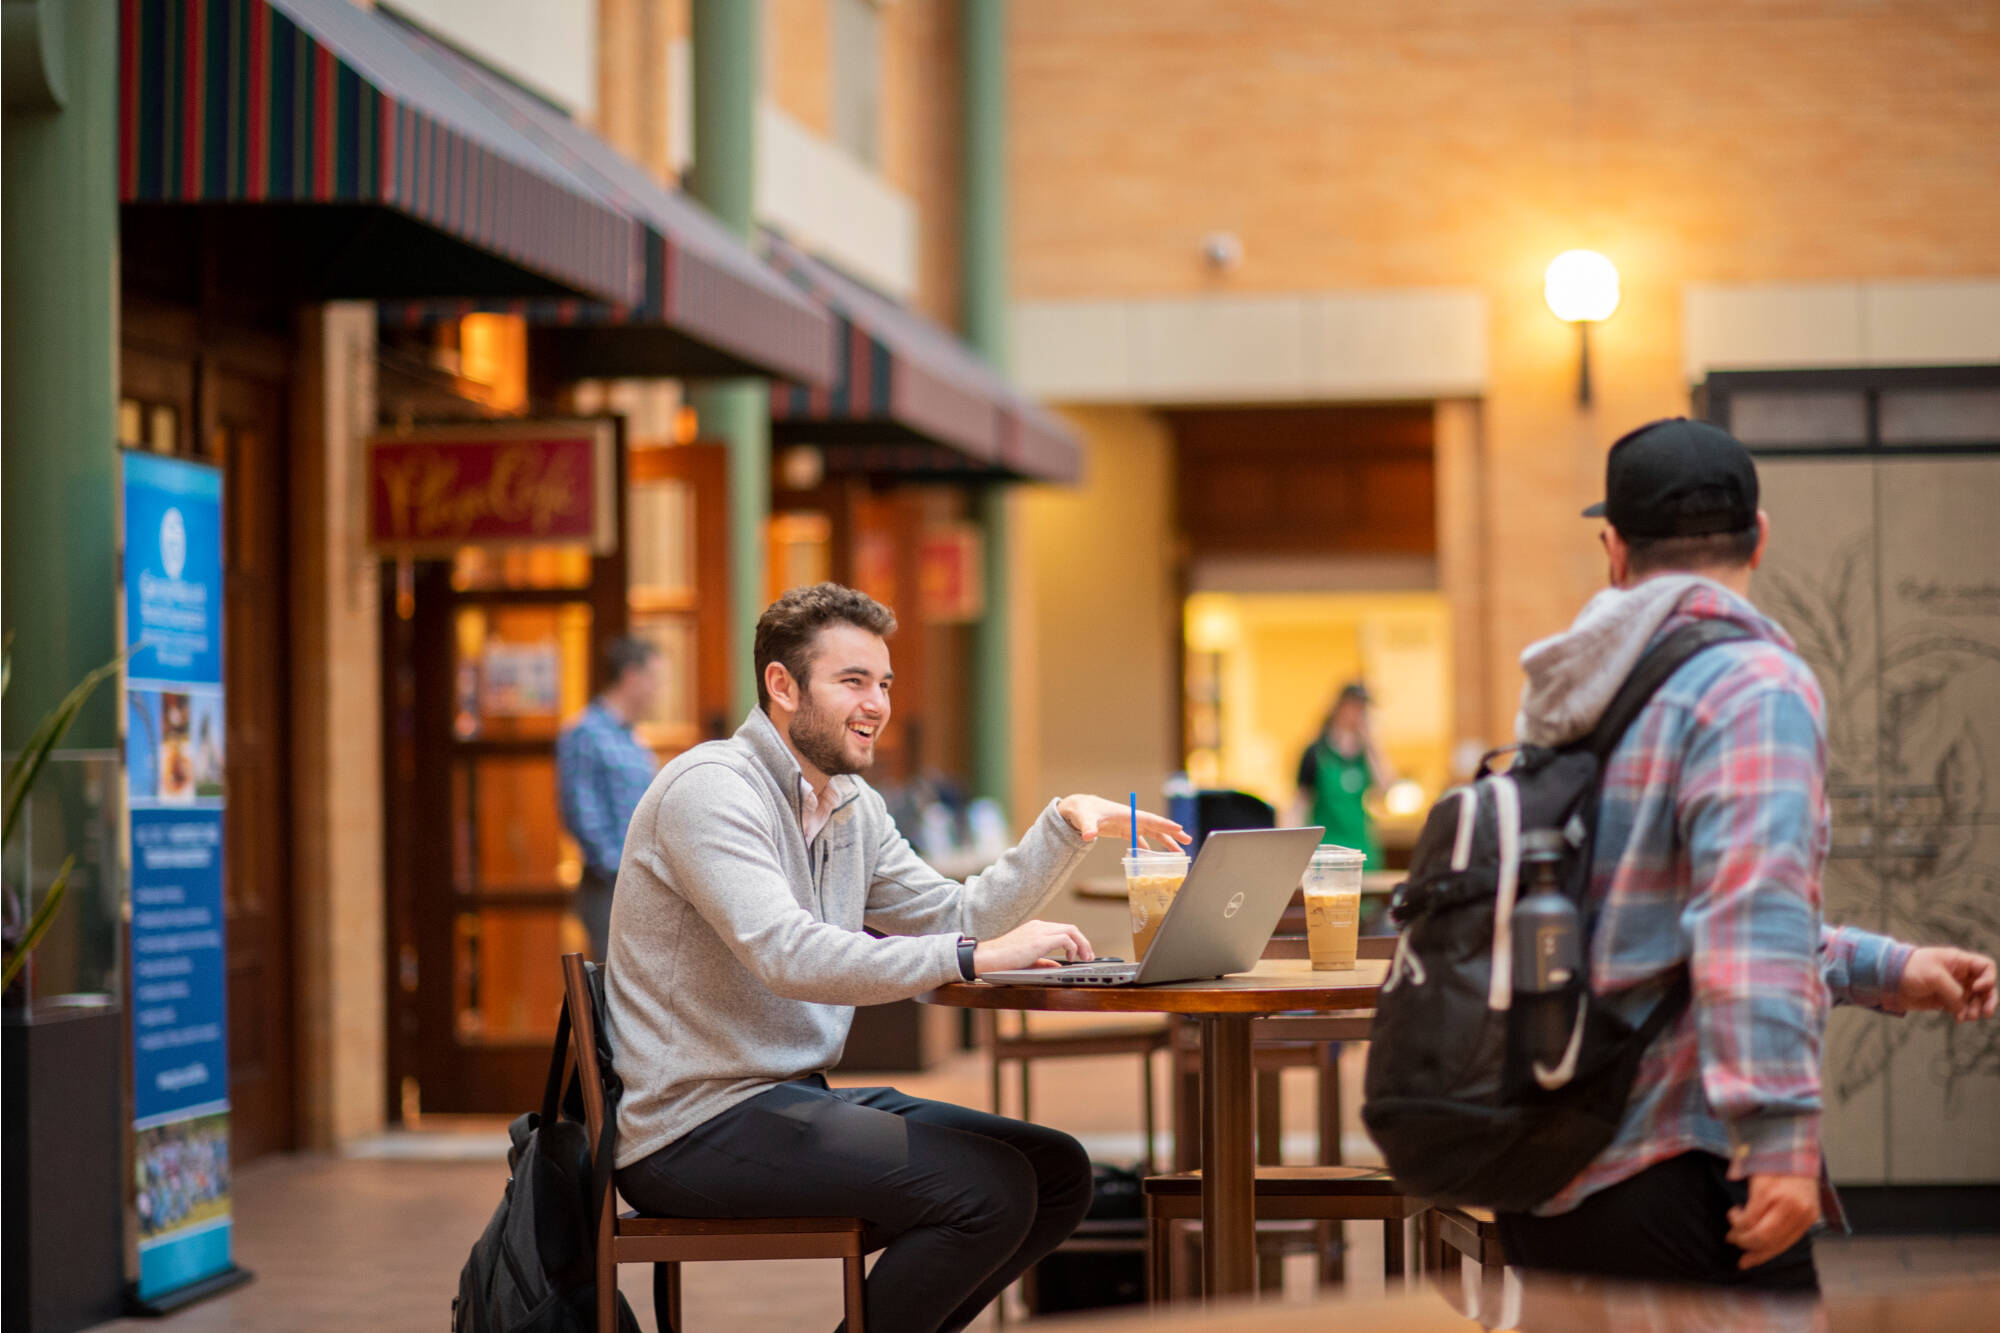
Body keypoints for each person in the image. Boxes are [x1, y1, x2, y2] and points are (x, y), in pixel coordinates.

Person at [1498, 417, 1998, 1292]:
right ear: (1759, 538)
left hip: (1550, 1160)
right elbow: (1747, 917)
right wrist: (1779, 1138)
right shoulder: (1752, 685)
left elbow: (1672, 921)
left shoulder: (1572, 695)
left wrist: (1890, 967)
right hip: (1679, 1157)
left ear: (1614, 550)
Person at [605, 583, 1188, 1333]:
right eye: (852, 681)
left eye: (882, 682)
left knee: (1056, 1173)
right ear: (781, 685)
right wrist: (973, 957)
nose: (876, 702)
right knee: (987, 1191)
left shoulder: (849, 803)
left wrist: (1065, 825)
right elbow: (786, 953)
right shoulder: (710, 790)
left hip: (788, 1098)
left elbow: (954, 913)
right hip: (691, 1128)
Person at [556, 636, 664, 960]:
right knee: (617, 988)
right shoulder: (585, 732)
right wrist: (620, 872)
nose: (659, 690)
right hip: (608, 889)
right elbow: (580, 812)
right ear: (632, 677)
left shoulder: (631, 738)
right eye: (655, 680)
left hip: (637, 886)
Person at [1292, 680, 1394, 864]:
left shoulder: (1365, 755)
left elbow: (1386, 788)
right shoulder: (1316, 753)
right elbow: (1299, 803)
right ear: (1340, 708)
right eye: (1354, 707)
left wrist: (1372, 743)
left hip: (1361, 847)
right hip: (1325, 850)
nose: (1358, 714)